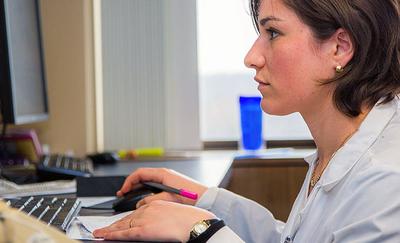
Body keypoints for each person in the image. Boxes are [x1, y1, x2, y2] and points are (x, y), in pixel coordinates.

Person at [93, 0, 400, 242]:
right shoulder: (340, 150)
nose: (251, 57)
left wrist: (200, 229)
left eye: (273, 33)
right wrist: (202, 198)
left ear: (339, 47)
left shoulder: (387, 180)